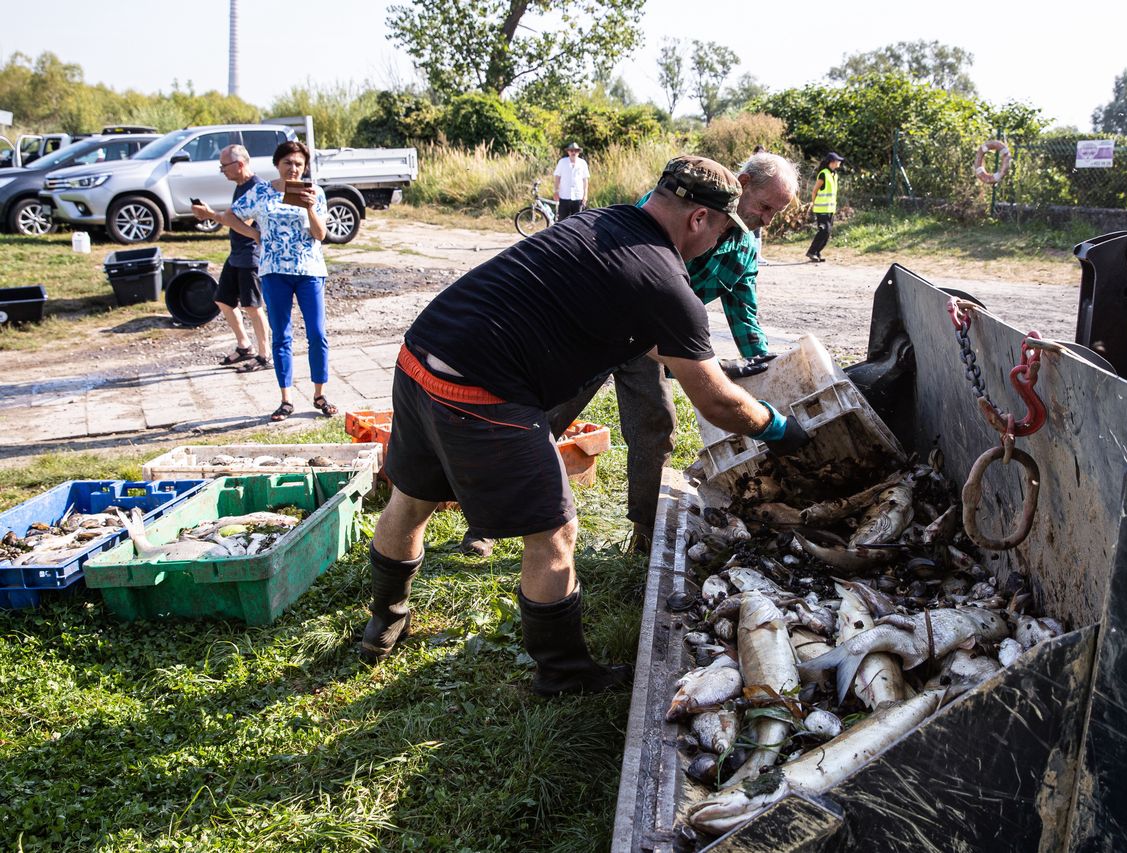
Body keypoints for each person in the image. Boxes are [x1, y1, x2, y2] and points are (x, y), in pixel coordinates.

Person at [360, 155, 810, 696]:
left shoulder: (599, 221)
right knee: (553, 533)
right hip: (483, 391)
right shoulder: (668, 281)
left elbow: (625, 325)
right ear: (697, 220)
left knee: (410, 501)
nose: (720, 242)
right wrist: (783, 429)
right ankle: (564, 674)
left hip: (421, 354)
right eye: (720, 229)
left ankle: (384, 621)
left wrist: (703, 360)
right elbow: (719, 407)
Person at [458, 151, 799, 559]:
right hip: (601, 329)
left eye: (775, 213)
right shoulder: (675, 203)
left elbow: (743, 309)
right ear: (742, 184)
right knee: (544, 418)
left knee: (655, 426)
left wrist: (761, 365)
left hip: (657, 341)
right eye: (764, 207)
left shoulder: (743, 247)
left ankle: (646, 533)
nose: (767, 220)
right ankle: (486, 519)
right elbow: (628, 267)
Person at [230, 140, 338, 422]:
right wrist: (255, 235)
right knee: (282, 336)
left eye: (299, 164)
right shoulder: (262, 192)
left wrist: (311, 208)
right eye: (288, 163)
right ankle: (286, 399)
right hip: (274, 271)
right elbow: (232, 215)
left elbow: (320, 234)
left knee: (317, 334)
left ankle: (319, 394)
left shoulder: (314, 192)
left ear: (305, 168)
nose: (293, 168)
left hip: (309, 271)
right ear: (277, 164)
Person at [192, 144, 271, 373]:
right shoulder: (240, 185)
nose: (222, 171)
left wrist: (210, 215)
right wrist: (217, 216)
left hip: (251, 256)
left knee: (252, 306)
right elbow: (231, 216)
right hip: (237, 253)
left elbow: (243, 222)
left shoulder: (256, 188)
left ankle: (265, 355)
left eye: (223, 167)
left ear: (239, 165)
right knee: (223, 300)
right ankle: (244, 346)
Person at [806, 151, 843, 262]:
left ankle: (817, 252)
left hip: (830, 209)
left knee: (827, 233)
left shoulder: (834, 175)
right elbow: (814, 191)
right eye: (837, 160)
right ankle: (811, 252)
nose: (839, 162)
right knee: (823, 231)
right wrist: (813, 204)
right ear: (831, 162)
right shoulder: (823, 174)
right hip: (821, 209)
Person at [552, 142, 590, 221]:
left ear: (578, 152)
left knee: (577, 221)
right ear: (568, 152)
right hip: (564, 195)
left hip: (578, 196)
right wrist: (556, 191)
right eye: (571, 150)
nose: (573, 152)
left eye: (575, 151)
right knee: (562, 220)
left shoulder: (583, 163)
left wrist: (585, 195)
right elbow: (557, 177)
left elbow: (585, 180)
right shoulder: (562, 162)